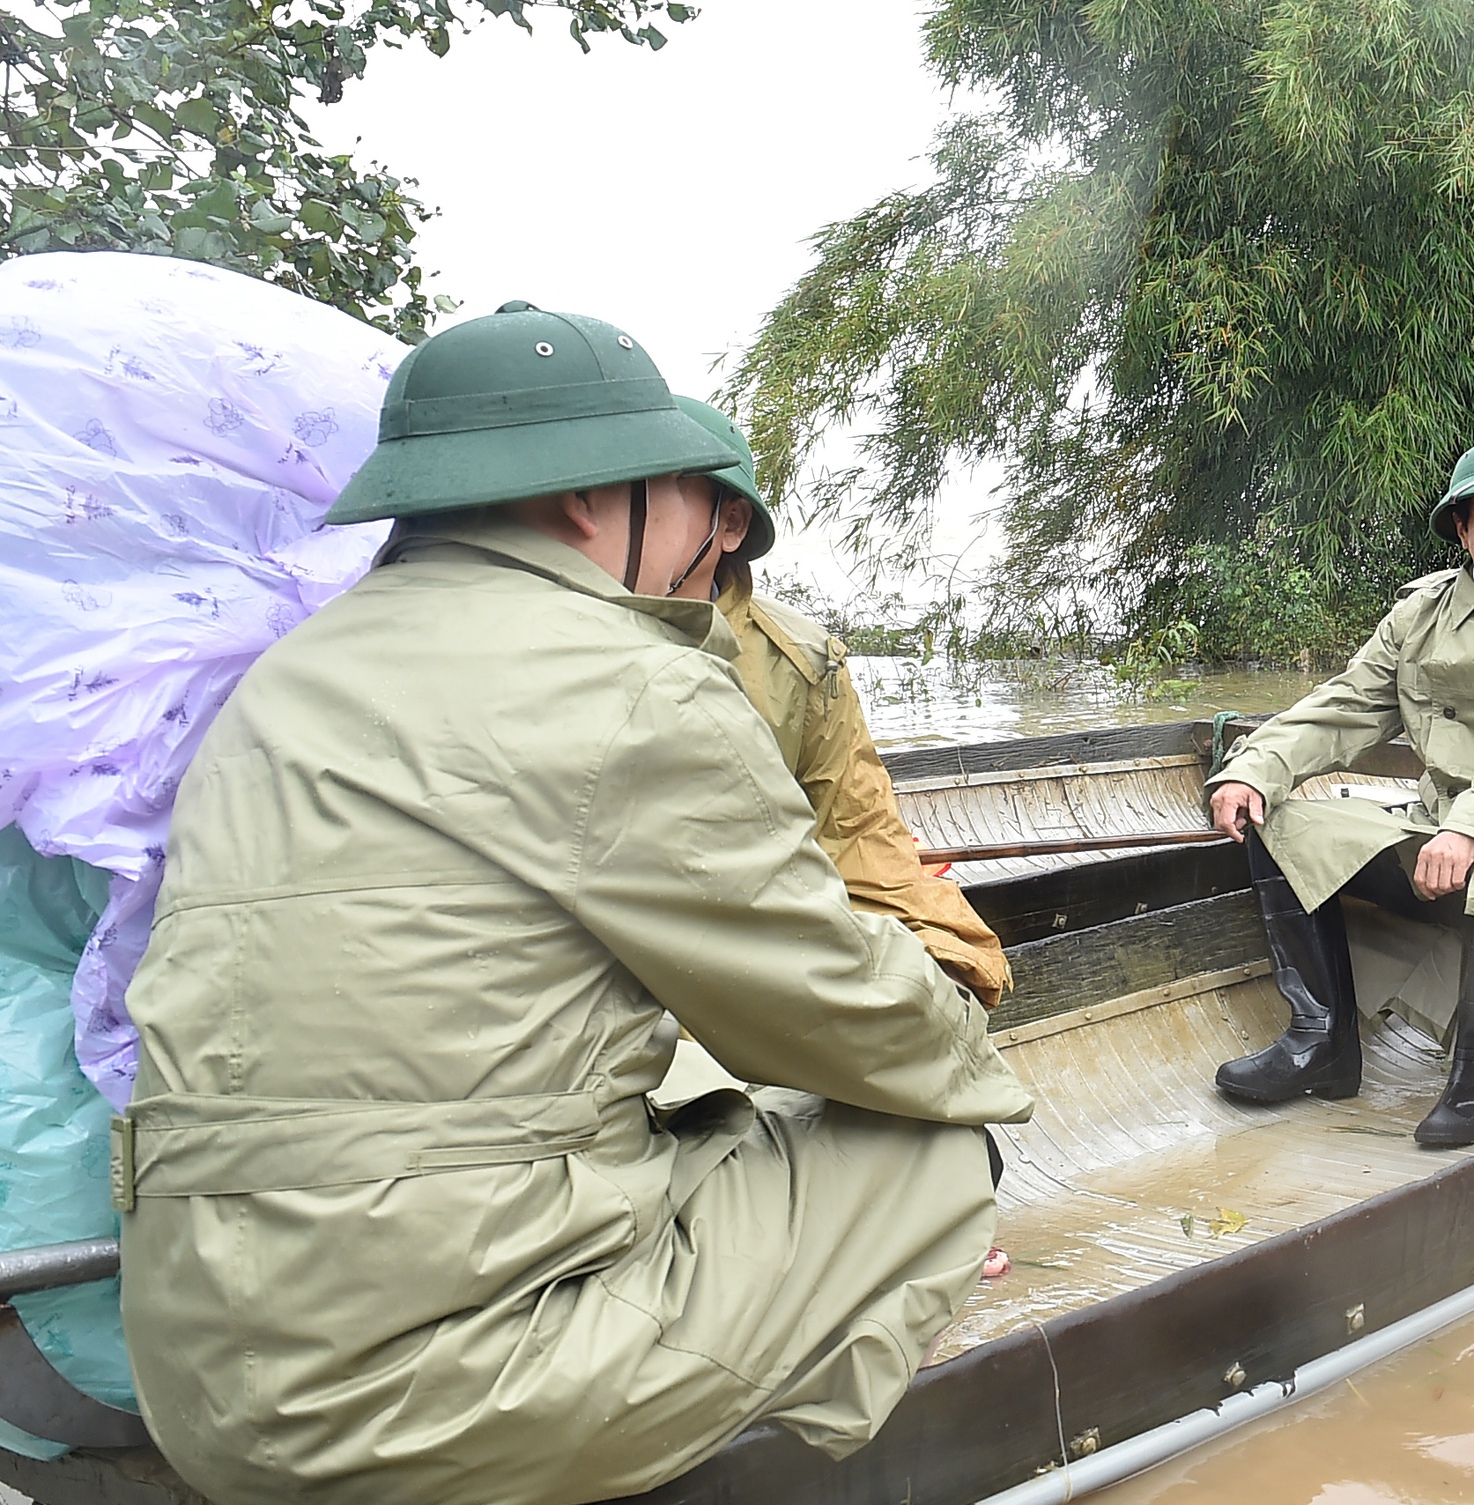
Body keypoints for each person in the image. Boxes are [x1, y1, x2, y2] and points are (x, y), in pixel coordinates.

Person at [114, 303, 1034, 1505]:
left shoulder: (284, 676)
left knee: (712, 1085)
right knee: (935, 1141)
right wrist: (966, 1026)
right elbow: (859, 1019)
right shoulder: (640, 679)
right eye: (688, 498)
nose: (701, 546)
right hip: (425, 1395)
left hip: (198, 1370)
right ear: (586, 500)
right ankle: (764, 1422)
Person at [1205, 440, 1474, 1147]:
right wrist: (1256, 764)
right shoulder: (1420, 613)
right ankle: (1320, 1038)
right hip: (1428, 820)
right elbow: (1347, 704)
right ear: (1463, 530)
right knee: (1275, 818)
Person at [675, 397, 1009, 1007]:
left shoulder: (801, 661)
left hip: (758, 962)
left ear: (731, 525)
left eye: (661, 493)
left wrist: (942, 961)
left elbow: (859, 842)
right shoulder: (543, 645)